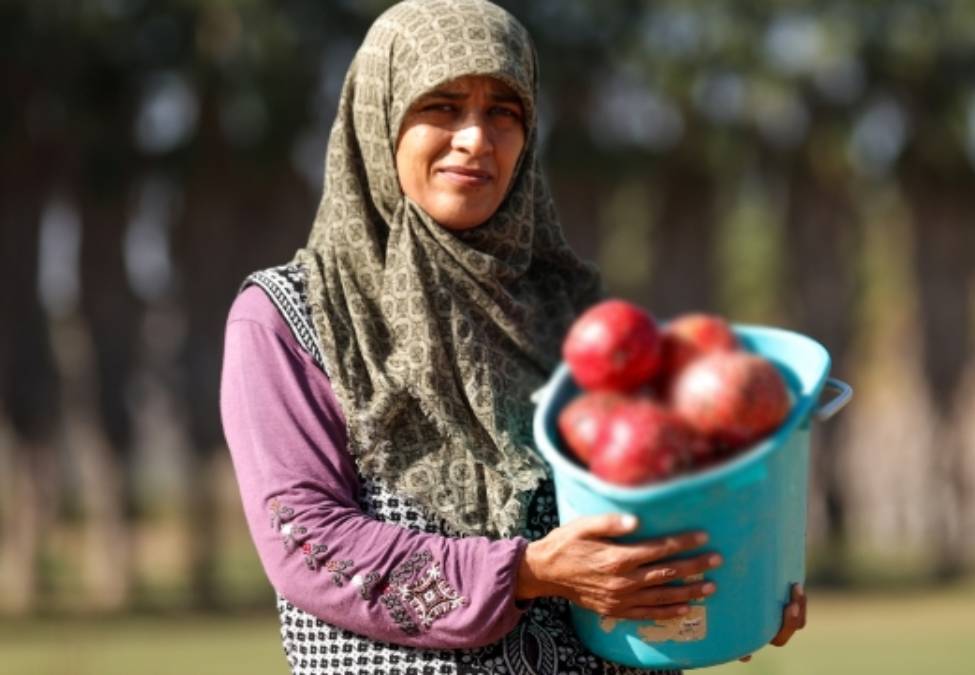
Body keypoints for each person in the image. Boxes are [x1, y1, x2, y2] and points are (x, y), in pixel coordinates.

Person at [219, 1, 805, 673]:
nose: (476, 138)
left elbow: (646, 505)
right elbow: (308, 543)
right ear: (378, 118)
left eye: (504, 111)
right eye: (441, 105)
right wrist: (525, 571)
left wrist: (736, 593)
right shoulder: (291, 314)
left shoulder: (574, 316)